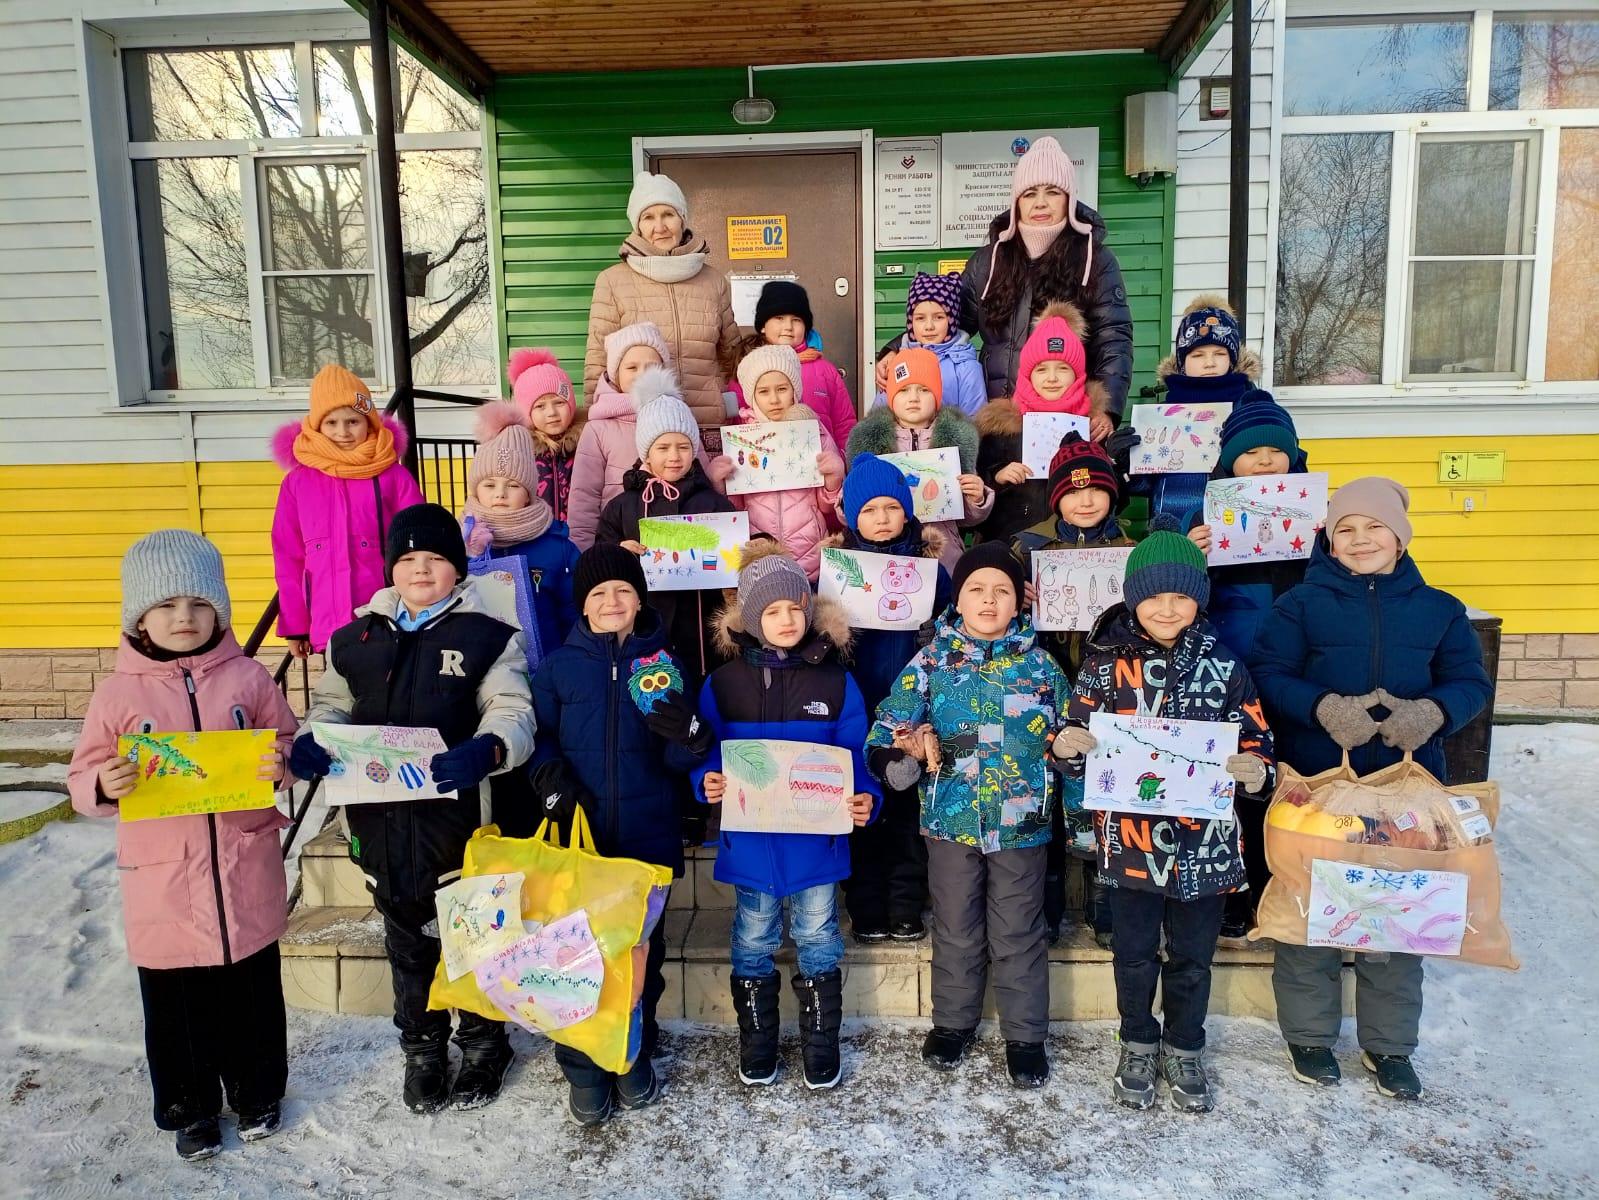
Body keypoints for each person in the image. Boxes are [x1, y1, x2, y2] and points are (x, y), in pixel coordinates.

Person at [1249, 477, 1492, 1102]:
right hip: (1318, 785)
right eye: (1346, 529)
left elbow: (1469, 681)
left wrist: (1433, 713)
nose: (1359, 539)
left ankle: (1389, 1046)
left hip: (1402, 790)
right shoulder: (1299, 605)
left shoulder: (1439, 609)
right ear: (1330, 539)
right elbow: (1270, 676)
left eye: (1373, 527)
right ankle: (1308, 1035)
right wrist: (1322, 706)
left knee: (1395, 911)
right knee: (1311, 907)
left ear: (1399, 535)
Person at [288, 504, 535, 1116]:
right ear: (392, 569)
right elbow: (332, 706)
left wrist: (491, 747)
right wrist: (314, 739)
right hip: (378, 821)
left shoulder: (488, 637)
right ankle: (422, 1048)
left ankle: (483, 1043)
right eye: (408, 559)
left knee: (473, 936)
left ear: (457, 568)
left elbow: (512, 707)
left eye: (435, 559)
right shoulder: (354, 640)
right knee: (407, 942)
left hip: (457, 825)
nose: (421, 569)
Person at [68, 530, 299, 1161]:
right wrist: (102, 783)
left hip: (241, 871)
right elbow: (81, 778)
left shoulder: (249, 678)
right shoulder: (118, 694)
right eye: (166, 605)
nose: (183, 618)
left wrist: (280, 763)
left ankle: (257, 1092)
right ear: (138, 615)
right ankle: (189, 1108)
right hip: (165, 884)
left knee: (251, 996)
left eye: (199, 605)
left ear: (219, 611)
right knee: (178, 1008)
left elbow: (287, 742)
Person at [1053, 522, 1275, 1113]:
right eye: (1154, 596)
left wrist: (1255, 770)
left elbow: (1258, 740)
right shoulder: (1102, 667)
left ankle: (1185, 1045)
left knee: (1192, 956)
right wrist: (1068, 747)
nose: (1168, 608)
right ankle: (1137, 1040)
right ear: (1133, 598)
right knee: (1132, 951)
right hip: (1131, 843)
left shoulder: (1226, 666)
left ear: (1198, 598)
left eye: (1181, 596)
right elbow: (1070, 745)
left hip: (1206, 846)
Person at [866, 542, 1069, 1089]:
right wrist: (906, 749)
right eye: (976, 589)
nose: (988, 600)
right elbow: (886, 729)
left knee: (1018, 929)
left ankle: (1026, 1035)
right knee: (955, 926)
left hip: (1021, 823)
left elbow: (1070, 740)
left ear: (1019, 602)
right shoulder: (931, 661)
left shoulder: (1042, 666)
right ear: (958, 598)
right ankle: (952, 1024)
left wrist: (1067, 764)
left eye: (1001, 590)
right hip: (949, 819)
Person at [529, 545, 713, 1126]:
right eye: (598, 593)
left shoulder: (666, 662)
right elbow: (539, 737)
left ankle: (631, 1053)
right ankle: (584, 1066)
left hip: (645, 836)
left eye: (623, 591)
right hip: (579, 841)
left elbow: (680, 758)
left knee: (637, 956)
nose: (612, 602)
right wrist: (550, 781)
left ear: (640, 599)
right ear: (582, 603)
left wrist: (690, 734)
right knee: (572, 956)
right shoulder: (559, 666)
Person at [693, 545, 879, 1090]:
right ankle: (757, 1043)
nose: (786, 620)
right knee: (752, 938)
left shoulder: (836, 682)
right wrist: (703, 781)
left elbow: (857, 753)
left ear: (810, 610)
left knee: (819, 935)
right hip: (750, 844)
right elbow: (705, 752)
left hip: (815, 844)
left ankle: (821, 1044)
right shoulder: (722, 684)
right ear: (751, 619)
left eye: (795, 608)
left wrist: (866, 796)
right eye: (772, 612)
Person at [875, 136, 1134, 426]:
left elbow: (1113, 338)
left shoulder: (1095, 260)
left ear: (1069, 199)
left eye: (1052, 192)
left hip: (1068, 416)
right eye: (1030, 193)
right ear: (1016, 201)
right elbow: (948, 317)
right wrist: (897, 348)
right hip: (998, 415)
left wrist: (1108, 410)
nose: (1041, 203)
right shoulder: (988, 261)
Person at [1190, 387, 1310, 939]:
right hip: (1227, 668)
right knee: (1232, 776)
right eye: (1251, 453)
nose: (1264, 463)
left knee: (1288, 778)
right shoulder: (1207, 513)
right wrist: (1197, 554)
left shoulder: (1319, 518)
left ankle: (1280, 887)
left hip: (1295, 668)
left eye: (1275, 453)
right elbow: (1182, 601)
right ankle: (1235, 888)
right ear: (1229, 461)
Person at [1009, 433, 1133, 947]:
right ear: (1056, 497)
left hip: (1110, 697)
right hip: (1046, 689)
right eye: (1073, 492)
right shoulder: (1028, 546)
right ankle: (1047, 908)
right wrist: (1019, 597)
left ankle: (1106, 907)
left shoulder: (1130, 549)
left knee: (1104, 801)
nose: (1085, 501)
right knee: (1045, 803)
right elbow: (992, 610)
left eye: (1097, 491)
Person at [826, 456, 951, 942]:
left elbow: (954, 629)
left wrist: (933, 634)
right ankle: (866, 907)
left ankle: (905, 907)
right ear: (852, 516)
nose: (881, 518)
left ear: (907, 512)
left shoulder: (930, 571)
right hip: (858, 708)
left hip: (914, 713)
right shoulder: (836, 573)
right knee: (863, 809)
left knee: (907, 813)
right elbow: (818, 636)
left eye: (891, 507)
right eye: (869, 509)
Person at [270, 362, 424, 657]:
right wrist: (296, 625)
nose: (342, 432)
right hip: (327, 620)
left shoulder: (392, 476)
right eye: (331, 423)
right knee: (338, 698)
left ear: (369, 422)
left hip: (388, 615)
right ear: (316, 426)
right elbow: (288, 558)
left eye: (352, 421)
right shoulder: (298, 483)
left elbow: (419, 537)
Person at [595, 369, 736, 685]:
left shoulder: (712, 503)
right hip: (644, 636)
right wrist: (620, 553)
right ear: (646, 451)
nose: (674, 457)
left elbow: (739, 557)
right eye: (663, 447)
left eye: (683, 447)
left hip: (702, 641)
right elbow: (599, 558)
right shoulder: (623, 505)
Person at [584, 171, 740, 427]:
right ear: (638, 226)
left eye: (668, 214)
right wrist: (595, 428)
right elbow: (597, 365)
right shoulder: (611, 282)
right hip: (641, 427)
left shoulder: (713, 281)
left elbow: (732, 357)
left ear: (682, 219)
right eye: (648, 217)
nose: (660, 227)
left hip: (708, 424)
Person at [1109, 295, 1261, 534]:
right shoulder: (1164, 415)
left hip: (1237, 539)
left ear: (1232, 360)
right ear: (1182, 362)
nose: (1209, 363)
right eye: (1197, 355)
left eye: (1219, 354)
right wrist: (1126, 464)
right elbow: (1144, 485)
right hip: (1174, 540)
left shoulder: (1254, 410)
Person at [846, 346, 991, 573]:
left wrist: (977, 498)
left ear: (937, 395)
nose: (913, 398)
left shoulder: (959, 440)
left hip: (945, 553)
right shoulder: (868, 441)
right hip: (886, 557)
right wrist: (846, 500)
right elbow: (854, 509)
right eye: (903, 390)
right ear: (891, 396)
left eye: (924, 389)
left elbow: (966, 517)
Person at [709, 344, 846, 582]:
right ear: (752, 396)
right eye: (763, 392)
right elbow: (735, 509)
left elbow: (827, 507)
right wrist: (719, 485)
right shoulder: (742, 438)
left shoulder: (815, 432)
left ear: (795, 390)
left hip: (809, 556)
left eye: (782, 389)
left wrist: (834, 480)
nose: (774, 399)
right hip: (759, 553)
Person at [461, 401, 580, 666]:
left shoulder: (557, 547)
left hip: (546, 666)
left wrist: (569, 662)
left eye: (513, 485)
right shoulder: (459, 543)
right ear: (475, 489)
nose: (500, 494)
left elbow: (574, 612)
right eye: (489, 484)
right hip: (481, 669)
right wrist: (473, 555)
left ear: (529, 493)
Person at [974, 301, 1097, 541]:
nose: (1052, 378)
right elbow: (974, 491)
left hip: (1071, 548)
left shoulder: (1092, 426)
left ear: (1077, 373)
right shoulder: (1001, 427)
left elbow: (1113, 497)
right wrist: (997, 477)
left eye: (1062, 368)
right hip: (1011, 542)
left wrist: (1117, 465)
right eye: (1041, 370)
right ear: (1027, 374)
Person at [569, 322, 693, 550]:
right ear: (615, 373)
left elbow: (699, 475)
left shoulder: (679, 417)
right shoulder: (598, 428)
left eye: (651, 366)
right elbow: (583, 498)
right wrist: (587, 556)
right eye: (631, 367)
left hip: (677, 549)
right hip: (619, 545)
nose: (641, 375)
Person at [727, 280, 856, 446]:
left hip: (820, 465)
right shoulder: (747, 368)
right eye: (779, 318)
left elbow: (844, 423)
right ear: (763, 326)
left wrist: (843, 460)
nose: (788, 326)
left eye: (796, 320)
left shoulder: (825, 371)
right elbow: (734, 424)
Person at [873, 271, 986, 416]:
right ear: (910, 321)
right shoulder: (897, 363)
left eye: (939, 317)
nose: (929, 326)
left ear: (952, 320)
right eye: (920, 318)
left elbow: (974, 422)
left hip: (946, 439)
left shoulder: (966, 368)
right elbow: (878, 417)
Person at [506, 347, 583, 526]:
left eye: (559, 402)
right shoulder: (520, 451)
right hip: (536, 538)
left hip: (580, 538)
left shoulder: (586, 443)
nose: (552, 412)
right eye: (540, 406)